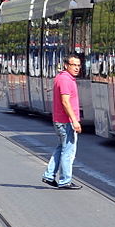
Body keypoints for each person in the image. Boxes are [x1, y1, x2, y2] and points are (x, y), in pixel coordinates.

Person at [42, 54, 83, 189]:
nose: (77, 68)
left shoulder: (62, 77)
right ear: (66, 65)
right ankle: (65, 180)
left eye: (78, 65)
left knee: (61, 148)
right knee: (68, 152)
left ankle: (49, 175)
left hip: (60, 120)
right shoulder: (65, 80)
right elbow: (65, 102)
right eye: (74, 65)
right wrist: (74, 121)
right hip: (66, 122)